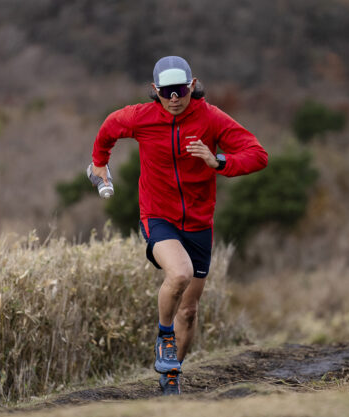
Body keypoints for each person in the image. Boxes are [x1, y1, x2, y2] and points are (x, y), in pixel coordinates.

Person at [90, 56, 267, 395]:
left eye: (180, 90)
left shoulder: (211, 119)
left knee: (189, 310)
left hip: (199, 223)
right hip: (159, 215)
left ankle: (172, 375)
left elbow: (258, 154)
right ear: (155, 90)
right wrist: (99, 162)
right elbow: (110, 127)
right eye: (166, 92)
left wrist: (219, 161)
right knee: (180, 274)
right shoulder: (142, 118)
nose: (174, 98)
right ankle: (164, 336)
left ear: (192, 85)